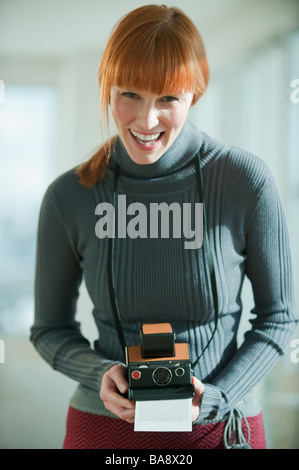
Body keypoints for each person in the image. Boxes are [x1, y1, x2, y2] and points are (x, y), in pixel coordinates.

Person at [31, 4, 298, 449]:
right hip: (105, 428)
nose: (147, 120)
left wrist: (218, 396)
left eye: (168, 98)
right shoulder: (70, 196)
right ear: (107, 87)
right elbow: (49, 328)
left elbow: (279, 318)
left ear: (195, 93)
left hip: (219, 427)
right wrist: (101, 372)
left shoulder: (244, 180)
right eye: (129, 94)